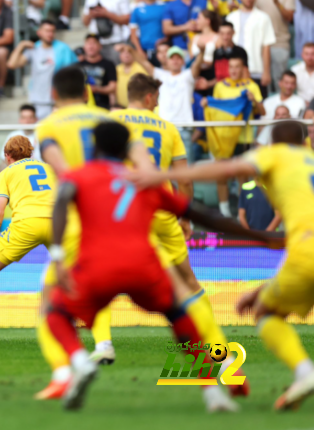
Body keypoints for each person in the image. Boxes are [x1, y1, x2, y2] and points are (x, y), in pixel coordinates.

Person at [46, 120, 273, 411]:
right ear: (127, 149)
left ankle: (80, 362)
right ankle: (212, 391)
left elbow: (62, 200)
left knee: (56, 312)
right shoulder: (145, 180)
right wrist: (257, 235)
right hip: (144, 265)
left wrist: (57, 255)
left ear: (96, 147)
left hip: (97, 266)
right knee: (179, 316)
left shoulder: (80, 175)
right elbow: (204, 215)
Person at [127, 120, 314, 411]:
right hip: (302, 251)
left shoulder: (274, 155)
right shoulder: (309, 160)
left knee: (264, 313)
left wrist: (163, 174)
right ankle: (227, 364)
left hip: (140, 226)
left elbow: (223, 169)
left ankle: (303, 372)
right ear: (305, 142)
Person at [109, 74, 243, 397]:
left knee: (103, 278)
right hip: (163, 210)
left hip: (126, 213)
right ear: (150, 97)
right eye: (157, 95)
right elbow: (183, 180)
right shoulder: (167, 128)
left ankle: (98, 345)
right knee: (189, 284)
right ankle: (220, 356)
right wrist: (184, 216)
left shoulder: (112, 120)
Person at [33, 66, 151, 400]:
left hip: (75, 218)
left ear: (54, 95)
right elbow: (144, 168)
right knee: (178, 296)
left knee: (51, 302)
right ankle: (220, 365)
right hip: (119, 216)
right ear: (87, 92)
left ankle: (64, 370)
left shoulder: (50, 125)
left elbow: (63, 170)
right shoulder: (107, 118)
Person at [0, 135, 57, 344]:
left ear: (7, 156)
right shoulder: (50, 168)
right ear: (31, 153)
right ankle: (74, 314)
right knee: (70, 268)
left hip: (27, 224)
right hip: (58, 223)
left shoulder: (5, 173)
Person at [124, 43, 204, 157]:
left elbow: (197, 64)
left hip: (184, 128)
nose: (175, 61)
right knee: (165, 168)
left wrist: (202, 52)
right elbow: (144, 62)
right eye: (172, 58)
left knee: (186, 171)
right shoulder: (160, 75)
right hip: (163, 127)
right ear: (167, 61)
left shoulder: (188, 75)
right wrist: (131, 50)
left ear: (183, 61)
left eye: (178, 58)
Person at [209, 56, 264, 216]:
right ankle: (224, 212)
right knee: (221, 175)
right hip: (224, 139)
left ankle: (242, 213)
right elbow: (216, 109)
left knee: (243, 177)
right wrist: (208, 104)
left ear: (243, 68)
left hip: (243, 138)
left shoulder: (252, 86)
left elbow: (263, 112)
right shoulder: (219, 86)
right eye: (231, 66)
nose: (233, 70)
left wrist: (254, 101)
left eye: (237, 66)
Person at [7, 20, 77, 119]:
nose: (50, 34)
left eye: (52, 31)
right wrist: (21, 45)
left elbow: (71, 74)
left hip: (57, 100)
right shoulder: (34, 48)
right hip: (36, 99)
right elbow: (11, 64)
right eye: (47, 31)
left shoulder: (63, 48)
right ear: (39, 32)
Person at [226, 0, 275, 97]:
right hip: (233, 70)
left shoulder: (263, 17)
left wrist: (266, 72)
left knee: (257, 102)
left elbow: (266, 46)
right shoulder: (231, 17)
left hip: (255, 70)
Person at [255, 0, 294, 92]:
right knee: (263, 81)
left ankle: (282, 106)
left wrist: (277, 3)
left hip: (279, 43)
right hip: (261, 45)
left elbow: (290, 17)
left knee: (280, 81)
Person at [82, 0, 130, 64]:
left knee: (117, 69)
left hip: (116, 42)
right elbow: (85, 22)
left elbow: (127, 20)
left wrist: (107, 14)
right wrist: (91, 14)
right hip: (97, 43)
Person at [78, 34, 116, 110]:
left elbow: (113, 87)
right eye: (88, 43)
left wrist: (96, 89)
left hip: (103, 107)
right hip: (82, 109)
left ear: (100, 46)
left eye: (94, 43)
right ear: (84, 47)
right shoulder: (77, 66)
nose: (91, 46)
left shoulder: (108, 64)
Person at [0, 104, 41, 168]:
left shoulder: (43, 135)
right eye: (24, 118)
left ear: (36, 119)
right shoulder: (12, 136)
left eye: (30, 117)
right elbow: (4, 161)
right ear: (19, 119)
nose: (27, 121)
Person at [190, 10, 220, 96]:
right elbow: (192, 59)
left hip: (211, 75)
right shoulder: (194, 38)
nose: (196, 21)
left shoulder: (218, 38)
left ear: (207, 21)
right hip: (196, 76)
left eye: (199, 18)